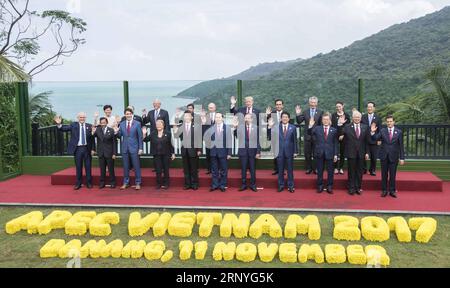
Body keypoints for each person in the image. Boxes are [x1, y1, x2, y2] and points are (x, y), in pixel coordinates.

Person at [54, 112, 94, 190]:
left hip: (87, 149)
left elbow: (92, 139)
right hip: (78, 149)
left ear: (85, 118)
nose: (82, 119)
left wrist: (93, 149)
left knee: (88, 167)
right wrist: (59, 124)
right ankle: (78, 183)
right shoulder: (73, 125)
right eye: (80, 117)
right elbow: (64, 129)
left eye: (83, 117)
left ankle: (89, 183)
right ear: (78, 118)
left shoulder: (89, 126)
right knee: (78, 167)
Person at [370, 115, 405, 198]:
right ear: (386, 122)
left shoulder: (399, 132)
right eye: (388, 122)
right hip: (384, 156)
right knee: (384, 174)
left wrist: (402, 157)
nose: (389, 123)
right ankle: (384, 190)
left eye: (390, 121)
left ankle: (392, 191)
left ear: (394, 122)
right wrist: (372, 132)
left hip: (394, 156)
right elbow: (375, 138)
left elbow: (401, 146)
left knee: (393, 175)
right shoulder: (382, 131)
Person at [341, 110, 370, 195]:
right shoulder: (347, 127)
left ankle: (358, 187)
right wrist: (340, 125)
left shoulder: (365, 127)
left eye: (358, 117)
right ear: (352, 118)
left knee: (360, 171)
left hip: (361, 152)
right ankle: (351, 188)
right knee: (351, 171)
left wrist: (367, 152)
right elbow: (339, 134)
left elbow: (367, 141)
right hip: (351, 152)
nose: (357, 118)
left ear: (360, 118)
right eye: (355, 117)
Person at [268, 112, 298, 193]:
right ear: (281, 118)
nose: (284, 118)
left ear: (288, 118)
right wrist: (269, 127)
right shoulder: (276, 127)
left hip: (289, 152)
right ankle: (280, 186)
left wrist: (295, 151)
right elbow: (270, 137)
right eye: (283, 117)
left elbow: (295, 140)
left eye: (286, 117)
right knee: (280, 170)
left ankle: (291, 186)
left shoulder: (293, 127)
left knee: (290, 170)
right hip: (279, 152)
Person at [309, 113, 338, 194]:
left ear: (330, 121)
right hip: (319, 153)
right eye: (324, 119)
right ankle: (320, 186)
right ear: (322, 120)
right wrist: (310, 127)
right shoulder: (317, 129)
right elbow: (309, 134)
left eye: (327, 119)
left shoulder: (334, 130)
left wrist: (336, 154)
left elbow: (336, 143)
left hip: (330, 153)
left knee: (330, 172)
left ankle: (329, 186)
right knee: (320, 171)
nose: (325, 121)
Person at [115, 107, 143, 190]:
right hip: (124, 148)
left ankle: (138, 182)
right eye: (127, 114)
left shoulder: (137, 123)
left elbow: (140, 137)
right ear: (125, 115)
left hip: (134, 148)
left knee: (136, 166)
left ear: (132, 114)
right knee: (125, 166)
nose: (128, 115)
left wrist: (140, 148)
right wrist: (116, 131)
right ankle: (125, 182)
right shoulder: (122, 123)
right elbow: (120, 135)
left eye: (130, 114)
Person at [232, 113, 261, 192]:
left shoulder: (256, 128)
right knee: (243, 169)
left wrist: (258, 152)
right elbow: (236, 136)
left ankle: (253, 185)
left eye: (248, 118)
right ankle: (243, 185)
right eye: (245, 118)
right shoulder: (240, 127)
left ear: (252, 119)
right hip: (243, 151)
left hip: (253, 152)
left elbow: (258, 141)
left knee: (252, 169)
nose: (247, 119)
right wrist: (235, 128)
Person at [173, 111, 201, 190]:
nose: (186, 117)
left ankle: (195, 184)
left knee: (194, 168)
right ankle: (187, 184)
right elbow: (176, 136)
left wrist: (199, 150)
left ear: (191, 117)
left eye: (187, 116)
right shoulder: (181, 126)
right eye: (185, 116)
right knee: (186, 169)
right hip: (184, 150)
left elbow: (199, 139)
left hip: (193, 150)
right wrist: (175, 131)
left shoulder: (196, 126)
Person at [143, 120, 175, 190]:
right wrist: (144, 134)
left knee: (166, 170)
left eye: (160, 124)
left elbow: (171, 144)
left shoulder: (168, 133)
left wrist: (173, 153)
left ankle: (166, 184)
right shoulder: (153, 133)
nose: (158, 125)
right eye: (157, 124)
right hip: (156, 155)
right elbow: (145, 140)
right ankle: (158, 184)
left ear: (163, 125)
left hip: (166, 154)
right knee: (158, 170)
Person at [295, 96, 323, 174]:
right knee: (307, 153)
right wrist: (298, 114)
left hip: (316, 136)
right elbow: (299, 122)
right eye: (311, 102)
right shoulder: (305, 112)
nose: (313, 104)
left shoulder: (320, 112)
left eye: (314, 102)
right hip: (307, 136)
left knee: (316, 154)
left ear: (317, 103)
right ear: (309, 103)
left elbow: (321, 124)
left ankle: (316, 168)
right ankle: (308, 168)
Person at [205, 112, 232, 192]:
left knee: (224, 170)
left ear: (222, 118)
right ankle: (214, 185)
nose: (217, 119)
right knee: (214, 170)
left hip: (223, 152)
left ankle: (222, 185)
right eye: (216, 117)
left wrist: (229, 153)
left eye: (219, 117)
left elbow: (229, 141)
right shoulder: (211, 127)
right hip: (213, 152)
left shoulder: (227, 128)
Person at [92, 117, 117, 189]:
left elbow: (114, 142)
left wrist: (114, 153)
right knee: (102, 169)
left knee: (111, 169)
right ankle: (102, 183)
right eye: (101, 122)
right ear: (100, 123)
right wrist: (93, 132)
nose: (103, 124)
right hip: (101, 152)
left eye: (104, 122)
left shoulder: (111, 130)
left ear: (106, 122)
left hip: (109, 153)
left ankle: (112, 182)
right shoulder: (98, 130)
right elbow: (92, 136)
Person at [266, 99, 286, 175]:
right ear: (275, 105)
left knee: (283, 154)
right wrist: (267, 115)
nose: (278, 106)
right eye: (277, 104)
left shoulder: (285, 113)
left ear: (282, 105)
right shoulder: (271, 113)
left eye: (280, 104)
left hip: (283, 136)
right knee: (275, 153)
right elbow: (266, 122)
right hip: (274, 136)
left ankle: (282, 169)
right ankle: (276, 169)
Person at [361, 101, 382, 176]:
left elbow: (380, 129)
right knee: (363, 155)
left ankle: (372, 170)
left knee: (374, 156)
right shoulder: (363, 117)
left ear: (374, 108)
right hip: (364, 139)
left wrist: (379, 139)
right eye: (368, 107)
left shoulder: (378, 117)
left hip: (374, 139)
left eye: (371, 107)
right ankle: (364, 169)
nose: (369, 108)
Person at [331, 101, 350, 174]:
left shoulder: (347, 115)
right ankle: (335, 167)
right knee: (335, 152)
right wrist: (339, 123)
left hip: (344, 136)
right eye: (337, 107)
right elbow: (333, 126)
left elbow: (348, 127)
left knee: (342, 152)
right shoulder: (333, 115)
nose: (338, 108)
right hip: (335, 136)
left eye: (340, 106)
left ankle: (341, 167)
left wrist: (343, 134)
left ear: (343, 106)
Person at [200, 102, 217, 174]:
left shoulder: (219, 115)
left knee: (216, 155)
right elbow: (203, 128)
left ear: (215, 108)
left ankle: (216, 169)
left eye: (212, 107)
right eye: (209, 107)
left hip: (217, 139)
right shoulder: (205, 116)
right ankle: (209, 169)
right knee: (208, 154)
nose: (211, 109)